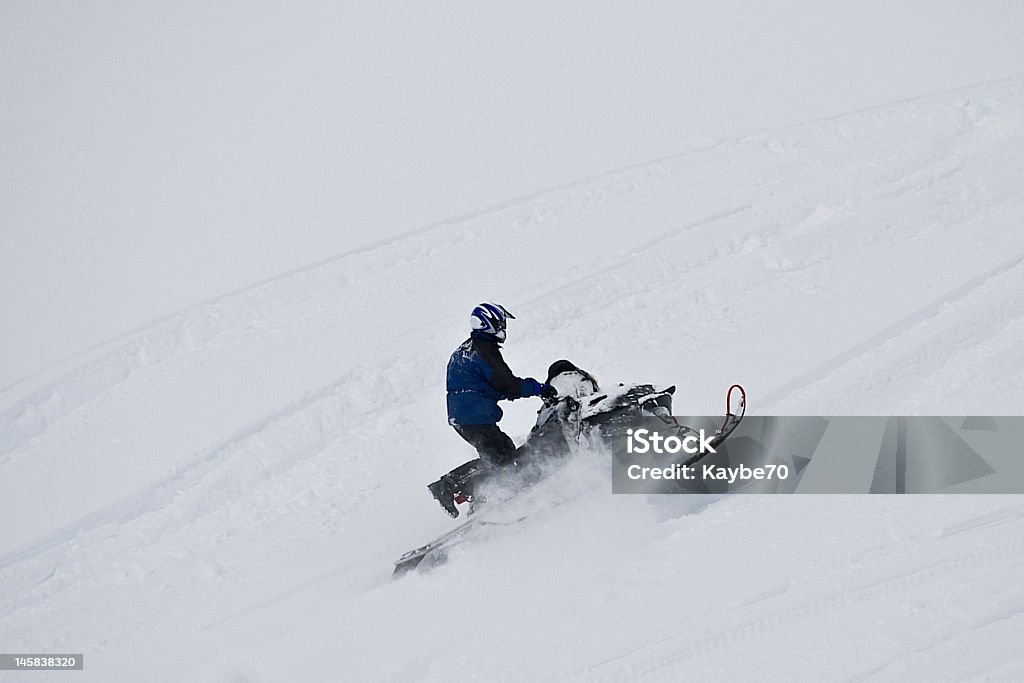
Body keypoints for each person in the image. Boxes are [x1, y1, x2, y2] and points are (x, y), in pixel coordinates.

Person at [428, 303, 555, 517]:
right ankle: (448, 485)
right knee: (504, 459)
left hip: (465, 416)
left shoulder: (468, 348)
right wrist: (538, 388)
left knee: (501, 453)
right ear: (489, 323)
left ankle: (481, 496)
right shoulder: (484, 350)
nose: (503, 327)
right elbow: (507, 384)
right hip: (474, 416)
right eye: (500, 323)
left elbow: (492, 386)